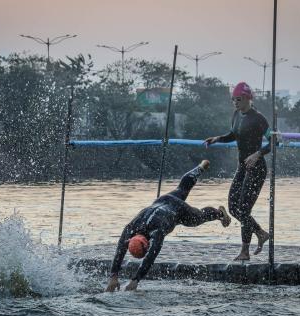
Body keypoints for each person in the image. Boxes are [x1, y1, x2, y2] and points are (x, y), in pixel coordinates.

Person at [105, 160, 231, 292]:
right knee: (182, 188)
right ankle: (199, 168)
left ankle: (219, 213)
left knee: (198, 217)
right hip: (163, 200)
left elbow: (150, 257)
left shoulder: (155, 231)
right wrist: (113, 276)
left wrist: (135, 280)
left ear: (146, 244)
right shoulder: (131, 227)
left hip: (178, 211)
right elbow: (121, 248)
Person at [204, 82, 271, 261]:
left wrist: (258, 154)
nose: (235, 102)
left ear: (248, 98)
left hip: (256, 169)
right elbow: (234, 134)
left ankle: (245, 251)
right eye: (233, 99)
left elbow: (274, 142)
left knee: (243, 208)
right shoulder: (236, 115)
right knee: (233, 207)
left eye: (238, 99)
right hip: (242, 167)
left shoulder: (259, 118)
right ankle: (260, 233)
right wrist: (218, 138)